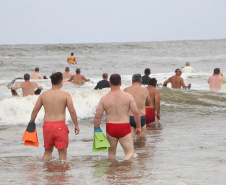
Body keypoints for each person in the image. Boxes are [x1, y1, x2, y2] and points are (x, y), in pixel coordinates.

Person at [29, 72, 79, 161]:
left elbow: (35, 110)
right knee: (62, 153)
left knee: (47, 151)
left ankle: (46, 172)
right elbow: (72, 111)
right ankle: (62, 173)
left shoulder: (43, 95)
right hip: (60, 126)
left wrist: (31, 122)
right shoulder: (66, 94)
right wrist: (76, 125)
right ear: (61, 82)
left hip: (47, 126)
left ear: (51, 82)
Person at [94, 74, 141, 160]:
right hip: (124, 126)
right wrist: (138, 127)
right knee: (130, 152)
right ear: (120, 83)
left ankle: (113, 172)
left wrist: (96, 129)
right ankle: (124, 162)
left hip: (110, 127)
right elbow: (136, 113)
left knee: (111, 154)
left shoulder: (104, 98)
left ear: (109, 83)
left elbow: (98, 116)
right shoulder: (128, 97)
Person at [124, 74, 150, 138]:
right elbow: (148, 103)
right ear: (141, 81)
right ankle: (140, 147)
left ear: (132, 81)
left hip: (130, 117)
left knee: (130, 141)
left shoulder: (126, 90)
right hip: (141, 118)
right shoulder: (145, 90)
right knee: (142, 140)